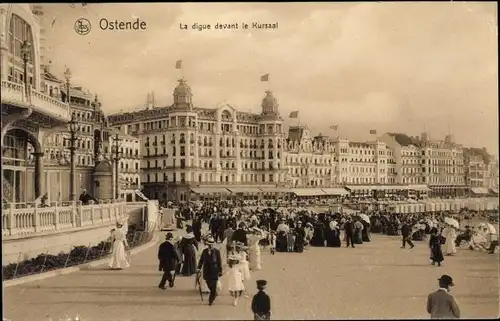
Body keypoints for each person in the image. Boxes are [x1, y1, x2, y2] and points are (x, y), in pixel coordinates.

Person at [197, 236, 223, 306]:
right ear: (207, 244)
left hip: (214, 271)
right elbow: (201, 260)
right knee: (209, 285)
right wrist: (198, 268)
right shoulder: (204, 251)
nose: (210, 245)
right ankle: (214, 293)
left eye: (211, 244)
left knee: (214, 286)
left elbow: (219, 262)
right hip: (207, 271)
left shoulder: (217, 252)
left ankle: (211, 300)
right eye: (209, 244)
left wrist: (220, 271)